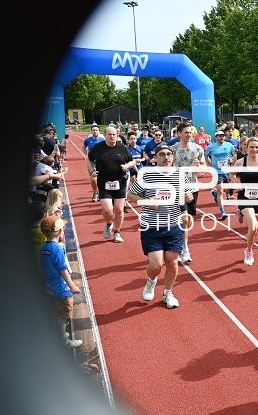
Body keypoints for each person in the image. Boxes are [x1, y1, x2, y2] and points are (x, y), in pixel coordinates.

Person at [126, 143, 194, 309]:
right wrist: (147, 201)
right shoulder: (147, 175)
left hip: (174, 225)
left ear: (173, 157)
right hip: (152, 225)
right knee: (156, 265)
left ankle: (168, 292)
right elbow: (130, 195)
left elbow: (185, 197)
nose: (166, 157)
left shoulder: (180, 175)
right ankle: (151, 281)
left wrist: (188, 200)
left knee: (172, 262)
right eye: (162, 154)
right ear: (155, 158)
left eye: (169, 154)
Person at [38, 214, 83, 348]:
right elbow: (62, 268)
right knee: (63, 315)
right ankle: (62, 339)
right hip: (60, 288)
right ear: (59, 231)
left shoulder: (43, 247)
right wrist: (72, 285)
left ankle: (59, 333)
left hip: (49, 285)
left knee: (56, 311)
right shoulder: (57, 248)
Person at [87, 126, 137, 243]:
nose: (112, 137)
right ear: (105, 135)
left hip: (120, 182)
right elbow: (87, 159)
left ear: (117, 135)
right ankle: (108, 223)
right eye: (109, 134)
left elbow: (132, 161)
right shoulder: (98, 148)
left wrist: (127, 166)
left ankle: (117, 232)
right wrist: (92, 172)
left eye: (114, 134)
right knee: (108, 210)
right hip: (104, 183)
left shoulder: (122, 148)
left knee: (119, 210)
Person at [230, 137, 258, 266]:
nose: (254, 149)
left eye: (257, 147)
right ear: (246, 148)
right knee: (253, 226)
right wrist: (236, 184)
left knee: (255, 230)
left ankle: (249, 246)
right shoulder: (240, 162)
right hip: (245, 197)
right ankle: (249, 251)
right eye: (252, 147)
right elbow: (231, 174)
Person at [171, 122, 208, 264]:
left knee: (186, 220)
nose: (189, 135)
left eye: (190, 132)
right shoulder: (172, 149)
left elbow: (204, 165)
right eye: (185, 132)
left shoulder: (198, 149)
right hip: (175, 187)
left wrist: (200, 166)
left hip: (192, 187)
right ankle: (184, 248)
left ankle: (181, 244)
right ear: (179, 133)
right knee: (184, 219)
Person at [204, 130, 236, 220]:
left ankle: (215, 194)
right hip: (217, 172)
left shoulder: (229, 145)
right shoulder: (211, 147)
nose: (221, 137)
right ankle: (222, 211)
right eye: (219, 136)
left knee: (226, 191)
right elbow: (206, 155)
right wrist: (209, 164)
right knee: (221, 191)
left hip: (227, 171)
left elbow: (234, 155)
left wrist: (231, 160)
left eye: (222, 136)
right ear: (216, 137)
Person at [83, 124, 105, 201]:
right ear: (91, 131)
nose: (95, 131)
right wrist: (86, 155)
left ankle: (103, 193)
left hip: (101, 162)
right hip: (92, 162)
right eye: (93, 130)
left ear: (99, 131)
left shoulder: (103, 140)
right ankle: (95, 192)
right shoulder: (88, 140)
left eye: (96, 130)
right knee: (93, 179)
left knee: (102, 179)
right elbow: (83, 147)